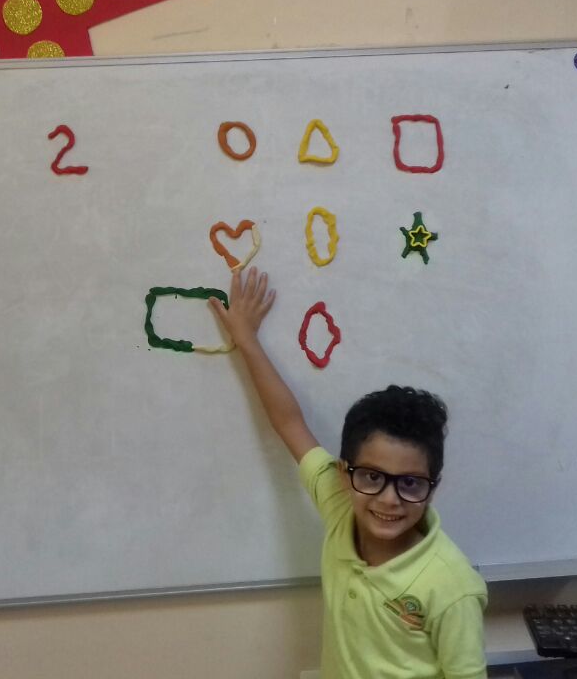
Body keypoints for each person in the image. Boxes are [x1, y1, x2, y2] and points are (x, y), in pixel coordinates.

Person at [209, 267, 488, 679]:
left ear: (432, 488)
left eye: (410, 483)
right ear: (344, 474)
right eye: (373, 476)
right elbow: (290, 423)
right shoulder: (342, 506)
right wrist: (246, 339)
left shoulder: (452, 585)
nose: (389, 499)